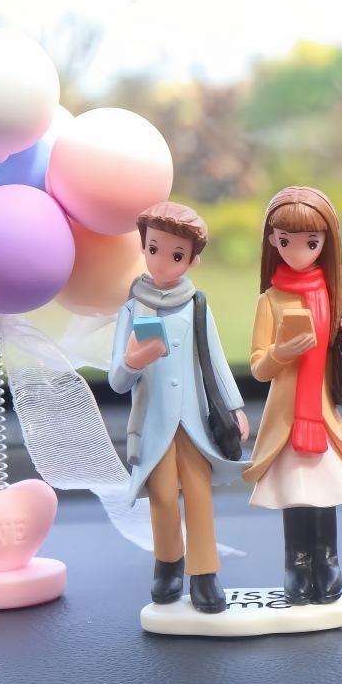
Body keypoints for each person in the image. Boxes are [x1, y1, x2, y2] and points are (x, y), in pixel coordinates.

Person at [108, 202, 249, 613]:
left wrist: (235, 406)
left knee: (200, 496)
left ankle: (205, 573)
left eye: (176, 254)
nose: (161, 261)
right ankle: (168, 564)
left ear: (192, 260)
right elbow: (117, 380)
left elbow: (214, 358)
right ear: (143, 247)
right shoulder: (132, 308)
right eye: (154, 249)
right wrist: (132, 361)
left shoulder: (196, 304)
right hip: (153, 423)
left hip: (194, 421)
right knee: (164, 497)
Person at [243, 186, 342, 604]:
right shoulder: (270, 300)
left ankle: (327, 558)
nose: (298, 252)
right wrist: (281, 353)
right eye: (286, 241)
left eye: (311, 243)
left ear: (326, 243)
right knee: (295, 493)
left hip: (321, 414)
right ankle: (296, 562)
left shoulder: (334, 293)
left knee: (323, 493)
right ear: (272, 240)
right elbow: (258, 366)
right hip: (287, 416)